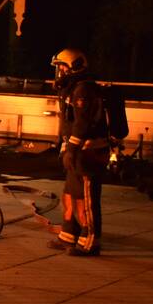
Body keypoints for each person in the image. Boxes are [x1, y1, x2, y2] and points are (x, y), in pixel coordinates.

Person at [47, 48, 108, 256]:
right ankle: (69, 235)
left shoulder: (84, 90)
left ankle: (90, 242)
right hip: (76, 151)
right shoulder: (72, 89)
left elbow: (82, 123)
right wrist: (65, 147)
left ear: (73, 67)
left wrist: (72, 148)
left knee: (87, 199)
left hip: (89, 152)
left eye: (62, 67)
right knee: (70, 195)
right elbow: (69, 122)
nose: (60, 72)